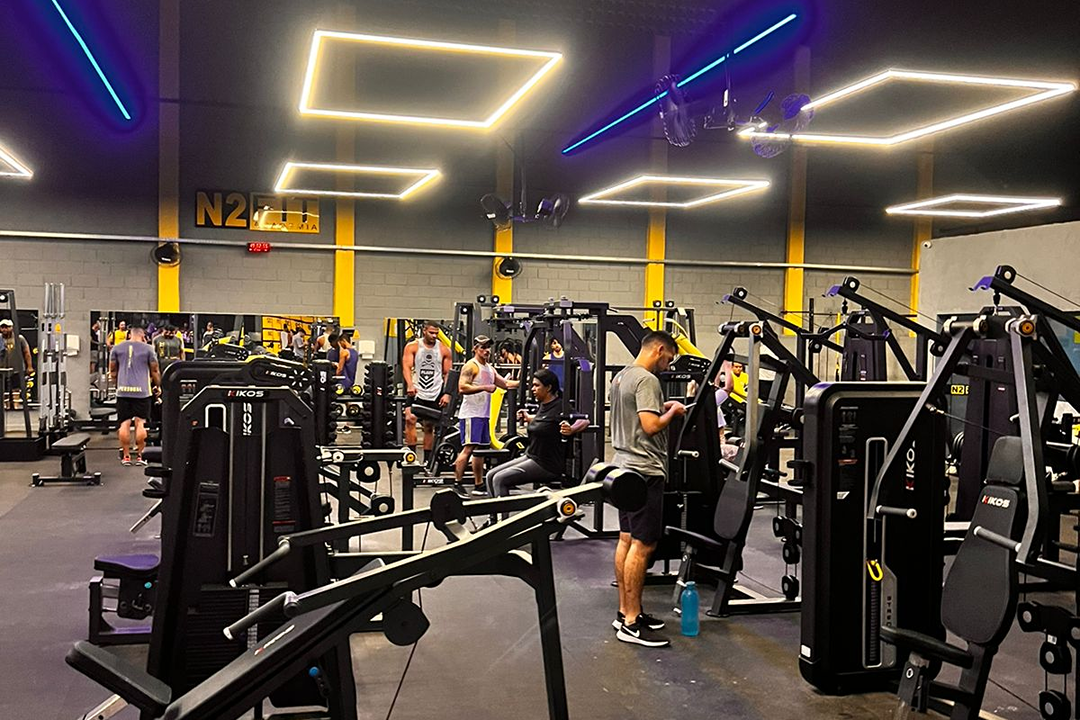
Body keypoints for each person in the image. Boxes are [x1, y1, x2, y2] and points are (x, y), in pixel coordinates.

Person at [610, 330, 685, 648]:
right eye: (669, 357)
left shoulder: (622, 377)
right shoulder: (647, 380)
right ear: (659, 349)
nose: (669, 364)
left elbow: (635, 413)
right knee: (643, 546)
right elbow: (651, 426)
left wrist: (660, 406)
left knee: (626, 539)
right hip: (644, 471)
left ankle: (626, 611)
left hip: (622, 467)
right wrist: (674, 412)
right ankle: (630, 623)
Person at [486, 368, 588, 499]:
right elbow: (546, 421)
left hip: (546, 464)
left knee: (500, 479)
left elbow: (584, 420)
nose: (533, 389)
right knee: (490, 475)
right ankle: (494, 512)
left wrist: (572, 429)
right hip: (531, 456)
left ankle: (503, 513)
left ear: (548, 387)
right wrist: (528, 417)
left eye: (536, 386)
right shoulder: (543, 405)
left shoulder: (560, 406)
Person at [454, 335, 518, 496]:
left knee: (481, 450)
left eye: (488, 347)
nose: (486, 350)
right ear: (475, 349)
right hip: (471, 414)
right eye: (483, 347)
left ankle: (479, 484)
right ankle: (457, 484)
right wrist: (484, 387)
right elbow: (462, 387)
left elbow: (506, 384)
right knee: (468, 448)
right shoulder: (471, 366)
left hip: (483, 415)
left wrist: (526, 381)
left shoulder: (489, 368)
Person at [109, 327, 160, 466]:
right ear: (143, 336)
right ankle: (140, 456)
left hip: (123, 391)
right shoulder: (149, 349)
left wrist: (117, 385)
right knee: (141, 423)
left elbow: (112, 371)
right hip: (142, 392)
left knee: (124, 423)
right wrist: (158, 386)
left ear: (129, 335)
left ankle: (126, 456)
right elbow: (155, 370)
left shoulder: (117, 348)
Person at [402, 320, 451, 460]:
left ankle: (427, 460)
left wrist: (446, 393)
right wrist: (410, 384)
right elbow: (406, 367)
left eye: (436, 333)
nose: (434, 336)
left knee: (429, 426)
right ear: (424, 331)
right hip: (417, 389)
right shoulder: (412, 346)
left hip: (435, 391)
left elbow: (447, 373)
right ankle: (411, 457)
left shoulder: (444, 349)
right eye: (431, 333)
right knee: (410, 419)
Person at [0, 318, 34, 409]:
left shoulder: (19, 338)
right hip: (2, 368)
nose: (4, 329)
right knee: (3, 389)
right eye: (2, 327)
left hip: (17, 368)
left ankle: (16, 406)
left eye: (7, 327)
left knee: (16, 388)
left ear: (11, 327)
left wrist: (29, 366)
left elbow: (27, 352)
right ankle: (6, 406)